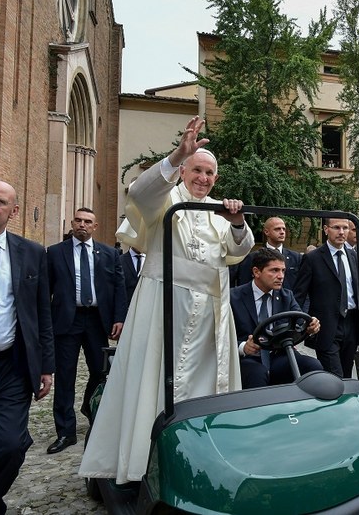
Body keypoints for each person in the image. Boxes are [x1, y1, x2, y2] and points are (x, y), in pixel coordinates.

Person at [79, 116, 255, 484]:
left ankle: (205, 462)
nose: (203, 178)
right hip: (164, 310)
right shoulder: (166, 198)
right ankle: (147, 463)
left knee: (207, 391)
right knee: (156, 384)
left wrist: (237, 221)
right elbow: (140, 194)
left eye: (209, 173)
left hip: (210, 319)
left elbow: (240, 248)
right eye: (196, 170)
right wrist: (178, 154)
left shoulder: (219, 211)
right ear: (184, 171)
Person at [0, 180, 54, 514]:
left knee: (9, 446)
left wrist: (46, 366)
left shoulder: (30, 252)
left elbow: (41, 312)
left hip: (9, 367)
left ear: (13, 211)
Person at [46, 207, 127, 454]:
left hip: (96, 321)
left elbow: (118, 287)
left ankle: (89, 408)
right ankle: (66, 432)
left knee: (99, 372)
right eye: (78, 220)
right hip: (66, 322)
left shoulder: (109, 254)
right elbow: (45, 289)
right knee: (65, 376)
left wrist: (119, 318)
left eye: (88, 221)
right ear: (72, 223)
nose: (82, 224)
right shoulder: (55, 253)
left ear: (95, 226)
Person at [230, 248, 321, 388]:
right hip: (248, 358)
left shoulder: (286, 296)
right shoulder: (233, 298)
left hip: (279, 355)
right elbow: (220, 337)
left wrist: (311, 326)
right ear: (256, 272)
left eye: (283, 271)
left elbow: (301, 321)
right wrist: (243, 347)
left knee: (313, 366)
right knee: (257, 374)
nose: (281, 276)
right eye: (274, 270)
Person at [293, 217, 359, 378]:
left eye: (346, 228)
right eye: (336, 227)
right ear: (326, 229)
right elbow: (299, 294)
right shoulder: (313, 258)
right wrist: (297, 325)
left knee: (346, 374)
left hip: (351, 324)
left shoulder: (354, 257)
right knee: (334, 376)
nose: (342, 232)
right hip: (326, 327)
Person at [229, 216, 303, 289]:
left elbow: (302, 286)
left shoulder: (296, 257)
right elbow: (244, 284)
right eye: (277, 229)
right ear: (266, 232)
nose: (282, 232)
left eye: (284, 229)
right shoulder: (252, 257)